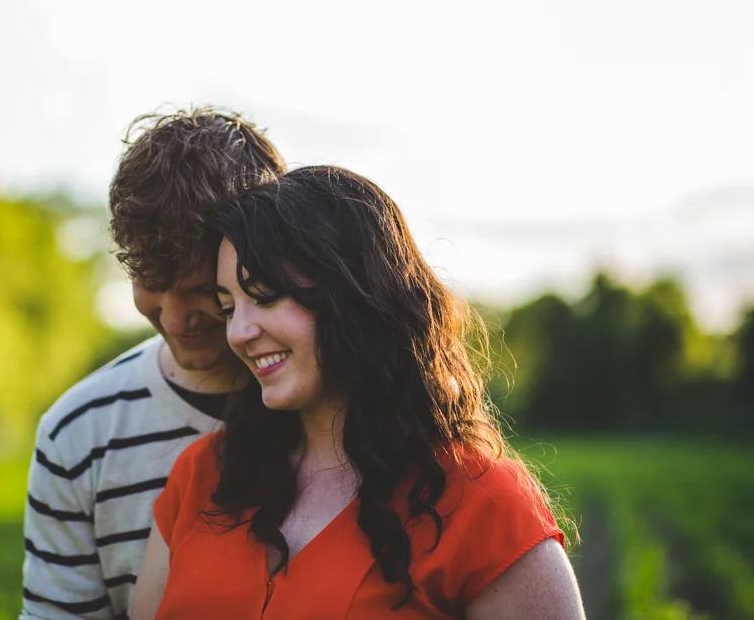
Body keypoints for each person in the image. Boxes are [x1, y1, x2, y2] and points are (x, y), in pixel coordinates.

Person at [131, 166, 586, 619]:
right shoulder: (202, 475)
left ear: (353, 295)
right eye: (229, 307)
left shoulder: (482, 503)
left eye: (266, 296)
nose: (239, 332)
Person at [19, 108, 286, 620]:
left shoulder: (334, 407)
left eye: (202, 290)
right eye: (150, 285)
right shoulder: (77, 434)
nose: (175, 317)